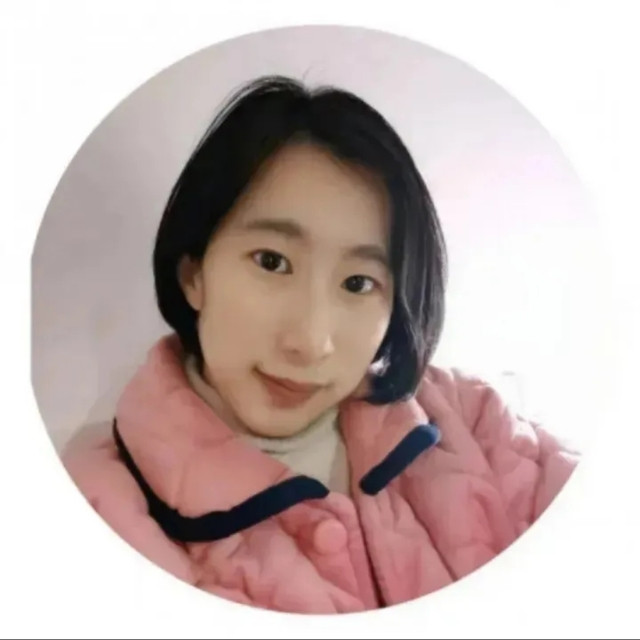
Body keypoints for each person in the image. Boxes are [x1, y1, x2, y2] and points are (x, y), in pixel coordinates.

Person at [62, 75, 579, 614]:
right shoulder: (101, 507)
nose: (311, 343)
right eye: (272, 262)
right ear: (194, 274)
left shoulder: (471, 421)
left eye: (358, 283)